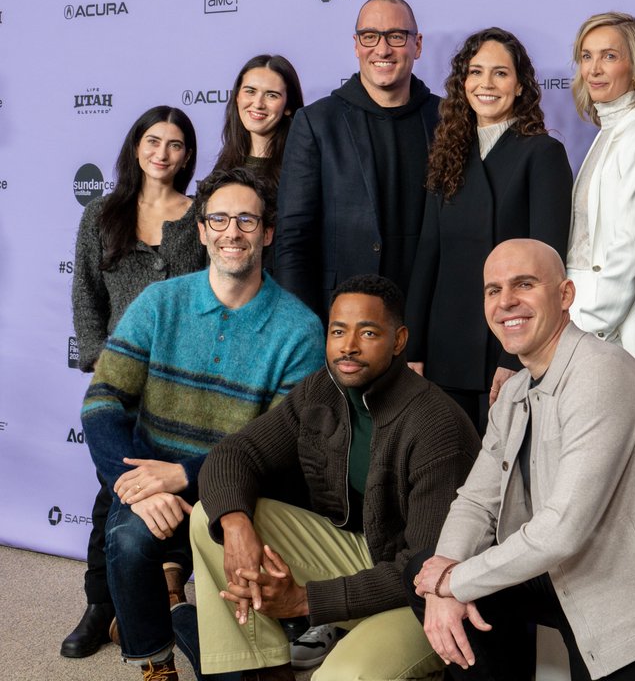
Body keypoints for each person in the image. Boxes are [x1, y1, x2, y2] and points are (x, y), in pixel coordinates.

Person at [406, 239, 635, 681]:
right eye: (493, 290)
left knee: (452, 581)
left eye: (524, 284)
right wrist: (442, 582)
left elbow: (562, 529)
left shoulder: (599, 374)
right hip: (573, 575)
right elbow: (477, 501)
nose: (506, 302)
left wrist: (453, 582)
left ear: (565, 296)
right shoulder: (516, 392)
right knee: (422, 568)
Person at [81, 167, 325, 681]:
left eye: (245, 220)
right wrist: (139, 487)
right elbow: (102, 402)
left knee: (237, 672)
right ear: (201, 230)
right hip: (151, 476)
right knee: (127, 539)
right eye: (218, 219)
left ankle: (188, 624)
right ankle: (155, 664)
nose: (231, 232)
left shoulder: (299, 329)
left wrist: (183, 476)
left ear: (267, 232)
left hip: (242, 489)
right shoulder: (158, 303)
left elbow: (278, 448)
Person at [190, 273, 480, 681]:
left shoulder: (435, 425)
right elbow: (235, 453)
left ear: (398, 341)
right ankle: (268, 671)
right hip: (360, 553)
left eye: (368, 333)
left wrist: (306, 602)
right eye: (338, 331)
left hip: (426, 595)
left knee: (338, 677)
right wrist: (236, 526)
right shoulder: (321, 391)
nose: (348, 346)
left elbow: (426, 566)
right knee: (212, 516)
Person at [63, 106, 205, 660]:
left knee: (169, 488)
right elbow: (85, 297)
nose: (162, 153)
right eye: (153, 141)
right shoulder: (102, 214)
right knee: (113, 493)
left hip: (180, 382)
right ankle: (101, 606)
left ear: (187, 155)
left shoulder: (199, 216)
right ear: (136, 146)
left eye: (174, 144)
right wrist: (101, 363)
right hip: (117, 382)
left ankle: (159, 599)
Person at [405, 27, 572, 429]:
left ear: (519, 87)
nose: (486, 84)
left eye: (500, 73)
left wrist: (513, 357)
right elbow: (428, 254)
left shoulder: (543, 154)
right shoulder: (447, 154)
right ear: (462, 84)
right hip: (446, 351)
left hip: (505, 347)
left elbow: (546, 267)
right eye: (476, 72)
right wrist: (413, 348)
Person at [274, 0, 439, 317]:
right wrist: (301, 329)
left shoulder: (447, 118)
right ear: (356, 45)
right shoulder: (317, 122)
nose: (382, 49)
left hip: (431, 317)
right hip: (340, 317)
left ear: (417, 45)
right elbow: (294, 238)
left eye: (396, 36)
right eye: (370, 36)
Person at [565, 12, 635, 366]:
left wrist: (587, 325)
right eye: (586, 56)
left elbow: (632, 250)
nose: (594, 69)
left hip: (604, 331)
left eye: (609, 56)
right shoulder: (607, 132)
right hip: (575, 316)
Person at [212, 54, 304, 182]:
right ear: (237, 97)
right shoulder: (224, 166)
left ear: (288, 106)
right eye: (250, 91)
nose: (258, 104)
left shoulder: (301, 168)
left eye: (272, 95)